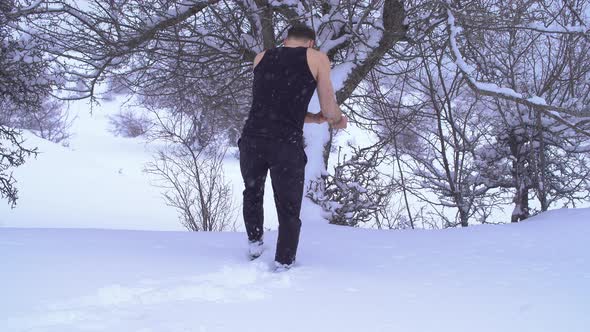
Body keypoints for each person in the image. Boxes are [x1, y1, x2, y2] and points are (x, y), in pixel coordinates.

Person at [237, 24, 348, 271]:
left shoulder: (262, 56)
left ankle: (255, 243)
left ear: (285, 40)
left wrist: (310, 117)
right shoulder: (317, 57)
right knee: (288, 203)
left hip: (252, 138)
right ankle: (284, 261)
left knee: (252, 192)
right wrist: (337, 120)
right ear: (311, 43)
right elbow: (329, 106)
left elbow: (271, 104)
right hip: (284, 143)